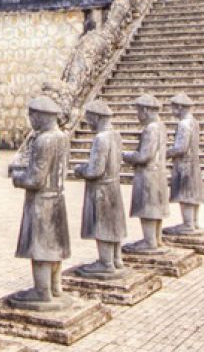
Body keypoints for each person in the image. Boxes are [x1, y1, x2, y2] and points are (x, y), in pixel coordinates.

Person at [8, 96, 70, 308]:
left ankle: (41, 291)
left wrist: (18, 179)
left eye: (32, 115)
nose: (30, 120)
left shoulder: (44, 140)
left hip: (42, 200)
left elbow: (35, 179)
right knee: (54, 245)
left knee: (41, 247)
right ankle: (55, 286)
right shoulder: (62, 136)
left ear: (41, 116)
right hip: (57, 197)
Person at [73, 100, 127, 276]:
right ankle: (116, 259)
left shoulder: (100, 138)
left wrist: (81, 170)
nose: (88, 122)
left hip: (102, 189)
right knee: (114, 224)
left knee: (103, 225)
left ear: (96, 117)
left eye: (89, 118)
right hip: (114, 185)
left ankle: (106, 263)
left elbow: (95, 170)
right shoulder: (116, 135)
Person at [122, 94, 169, 251]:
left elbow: (144, 156)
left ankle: (149, 241)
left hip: (149, 173)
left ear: (146, 110)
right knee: (155, 207)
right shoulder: (161, 125)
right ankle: (156, 238)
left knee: (148, 207)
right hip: (159, 171)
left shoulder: (151, 128)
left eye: (139, 111)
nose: (138, 115)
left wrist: (126, 156)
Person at [167, 94, 204, 234]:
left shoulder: (184, 124)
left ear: (180, 107)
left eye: (173, 107)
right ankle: (193, 221)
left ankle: (188, 223)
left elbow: (181, 147)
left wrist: (167, 153)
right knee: (193, 192)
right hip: (193, 161)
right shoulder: (194, 121)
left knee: (186, 193)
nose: (171, 111)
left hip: (185, 163)